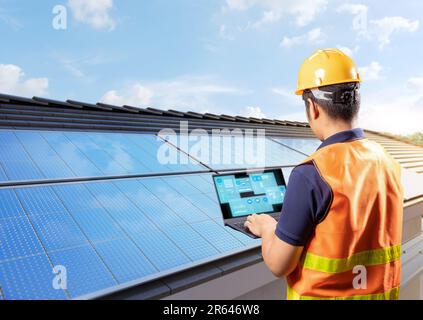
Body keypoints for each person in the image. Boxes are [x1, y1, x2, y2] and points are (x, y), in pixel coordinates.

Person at [245, 48, 403, 300]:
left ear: (313, 107)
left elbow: (278, 264)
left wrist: (267, 228)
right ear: (356, 102)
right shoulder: (386, 161)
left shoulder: (311, 174)